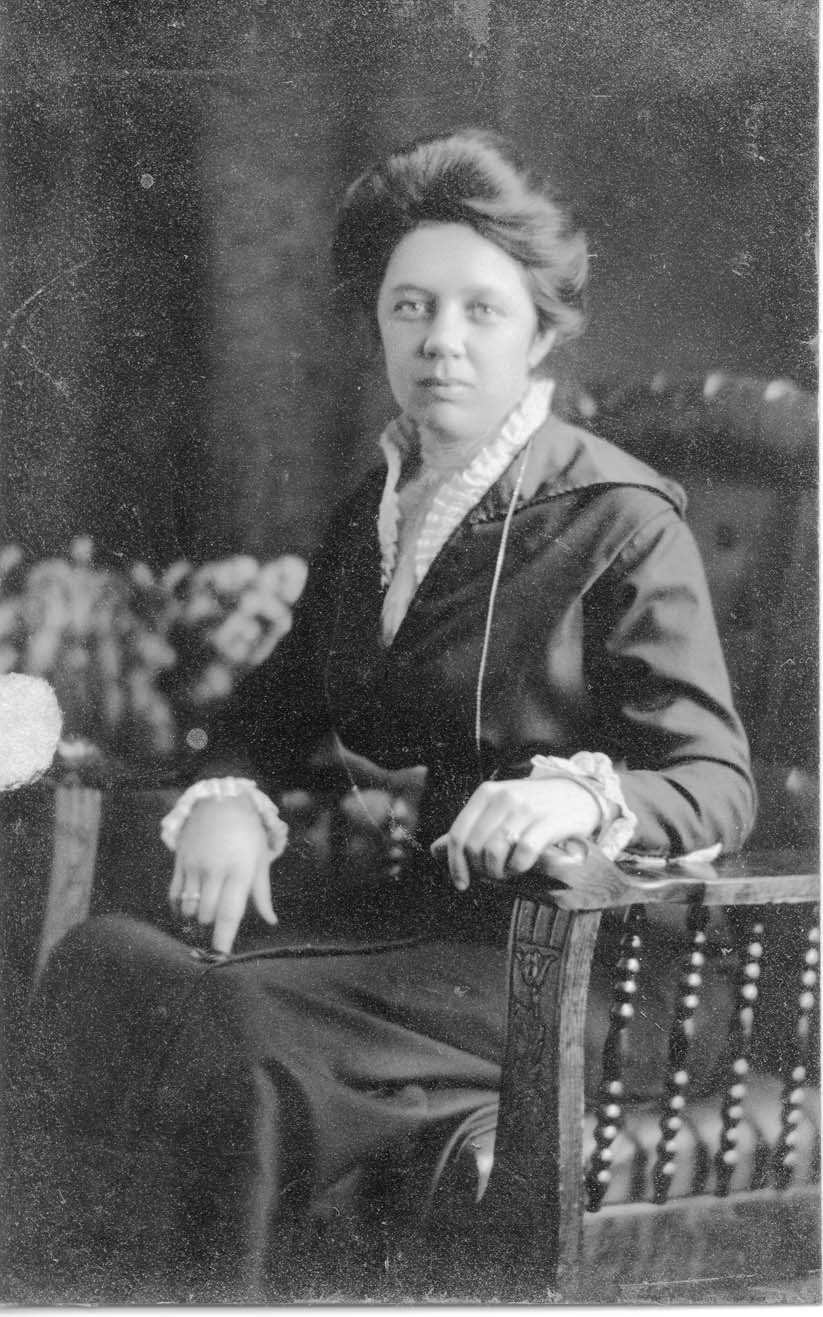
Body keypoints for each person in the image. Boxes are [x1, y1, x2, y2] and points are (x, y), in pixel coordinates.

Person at [9, 130, 755, 1304]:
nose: (440, 340)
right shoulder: (377, 513)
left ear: (539, 332)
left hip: (574, 974)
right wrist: (229, 801)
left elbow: (714, 780)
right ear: (380, 323)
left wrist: (576, 792)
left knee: (240, 1024)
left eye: (479, 310)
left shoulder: (618, 518)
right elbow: (270, 712)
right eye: (411, 306)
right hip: (415, 938)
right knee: (105, 962)